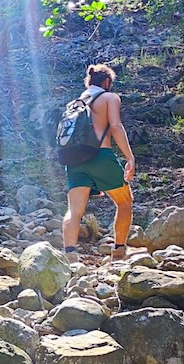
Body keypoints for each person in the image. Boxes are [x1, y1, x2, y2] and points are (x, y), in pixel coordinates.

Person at [62, 64, 135, 262]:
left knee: (74, 210)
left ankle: (70, 255)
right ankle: (119, 251)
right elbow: (116, 127)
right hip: (100, 155)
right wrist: (129, 157)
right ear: (107, 82)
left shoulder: (75, 103)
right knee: (125, 202)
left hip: (74, 158)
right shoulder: (110, 98)